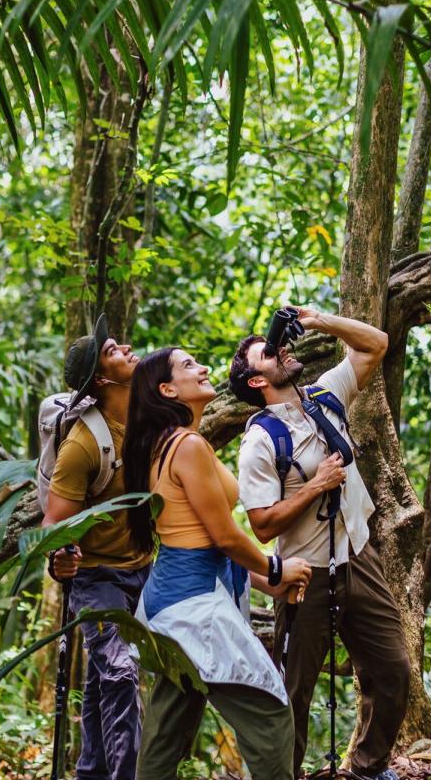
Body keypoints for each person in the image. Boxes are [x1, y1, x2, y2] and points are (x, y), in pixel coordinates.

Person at [229, 307, 410, 780]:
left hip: (358, 556)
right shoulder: (258, 444)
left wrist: (318, 320)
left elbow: (376, 343)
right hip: (305, 574)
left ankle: (368, 768)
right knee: (293, 693)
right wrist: (315, 486)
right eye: (267, 354)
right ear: (255, 382)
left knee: (392, 670)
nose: (281, 351)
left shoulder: (325, 396)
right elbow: (263, 526)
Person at [123, 346, 312, 780]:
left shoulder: (164, 444)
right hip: (194, 610)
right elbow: (225, 537)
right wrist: (277, 569)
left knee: (168, 726)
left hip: (171, 604)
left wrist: (266, 583)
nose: (203, 368)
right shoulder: (186, 445)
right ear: (167, 389)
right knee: (270, 713)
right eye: (189, 365)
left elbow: (198, 541)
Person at [42, 315, 150, 780]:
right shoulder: (83, 445)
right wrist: (59, 559)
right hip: (98, 580)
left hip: (143, 571)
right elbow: (53, 522)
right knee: (121, 673)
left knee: (102, 680)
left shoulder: (146, 414)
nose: (125, 347)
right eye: (112, 351)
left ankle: (91, 772)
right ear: (103, 379)